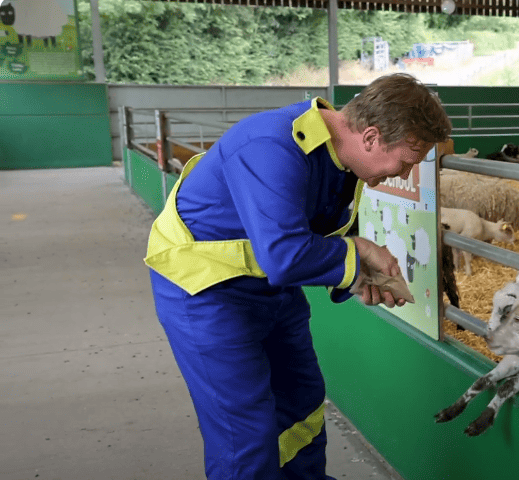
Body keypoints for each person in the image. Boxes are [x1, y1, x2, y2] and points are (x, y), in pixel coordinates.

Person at [144, 73, 452, 480]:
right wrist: (358, 258)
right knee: (245, 430)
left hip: (270, 289)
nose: (406, 175)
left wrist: (362, 278)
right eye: (408, 162)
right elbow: (286, 255)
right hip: (204, 292)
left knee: (302, 403)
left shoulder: (343, 162)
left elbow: (314, 239)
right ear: (372, 137)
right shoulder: (272, 145)